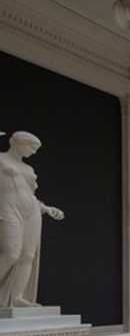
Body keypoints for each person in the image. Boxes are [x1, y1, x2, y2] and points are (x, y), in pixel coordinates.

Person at [0, 131, 64, 307]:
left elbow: (30, 194)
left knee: (28, 256)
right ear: (18, 143)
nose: (34, 152)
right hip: (7, 207)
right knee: (11, 254)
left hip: (32, 211)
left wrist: (47, 208)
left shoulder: (28, 169)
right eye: (32, 147)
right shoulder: (1, 160)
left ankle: (17, 297)